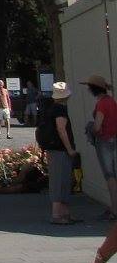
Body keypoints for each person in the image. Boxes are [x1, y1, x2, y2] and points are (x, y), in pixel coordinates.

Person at [37, 81, 81, 224]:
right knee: (59, 180)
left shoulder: (52, 108)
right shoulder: (60, 110)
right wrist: (70, 148)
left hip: (54, 148)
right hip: (59, 149)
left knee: (63, 180)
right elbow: (62, 130)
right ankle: (57, 214)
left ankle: (65, 213)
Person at [88, 74, 117, 218]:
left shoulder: (101, 104)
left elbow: (98, 126)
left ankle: (114, 208)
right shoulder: (111, 101)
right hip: (114, 138)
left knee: (110, 175)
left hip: (105, 140)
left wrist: (90, 131)